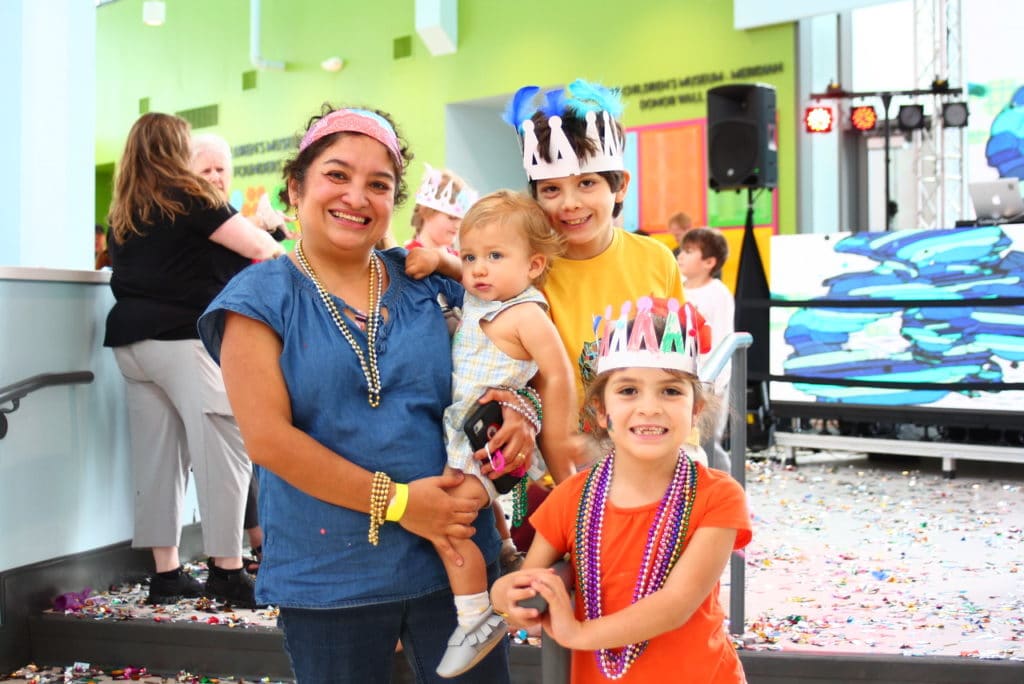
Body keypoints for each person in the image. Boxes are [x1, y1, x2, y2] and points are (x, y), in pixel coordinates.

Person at [197, 105, 531, 683]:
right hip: (331, 574)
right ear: (295, 187)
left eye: (378, 184)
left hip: (457, 563)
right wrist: (401, 503)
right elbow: (268, 440)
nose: (357, 196)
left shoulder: (428, 280)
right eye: (337, 175)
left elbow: (514, 345)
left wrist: (522, 410)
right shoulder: (259, 299)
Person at [491, 297, 752, 683]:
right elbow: (526, 586)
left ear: (696, 409)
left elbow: (676, 603)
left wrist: (579, 634)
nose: (650, 407)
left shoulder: (718, 496)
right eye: (629, 391)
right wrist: (504, 596)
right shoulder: (573, 498)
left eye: (671, 391)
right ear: (601, 410)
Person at [103, 112, 283, 607]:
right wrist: (274, 236)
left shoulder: (126, 211)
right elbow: (260, 247)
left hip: (132, 346)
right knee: (224, 450)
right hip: (184, 343)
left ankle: (166, 574)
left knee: (157, 461)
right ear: (176, 148)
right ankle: (226, 571)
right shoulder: (190, 196)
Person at [433, 190, 582, 677]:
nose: (479, 269)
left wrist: (558, 444)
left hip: (485, 439)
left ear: (533, 265)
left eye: (495, 257)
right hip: (463, 426)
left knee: (450, 525)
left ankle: (475, 617)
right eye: (471, 256)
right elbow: (458, 272)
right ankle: (502, 545)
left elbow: (558, 374)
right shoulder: (483, 297)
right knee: (475, 512)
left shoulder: (526, 314)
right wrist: (437, 259)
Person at [503, 79, 685, 450]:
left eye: (587, 183)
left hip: (648, 446)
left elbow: (677, 366)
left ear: (620, 187)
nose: (569, 203)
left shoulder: (657, 260)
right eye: (551, 189)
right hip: (557, 457)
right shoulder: (526, 273)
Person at [190, 131, 273, 571]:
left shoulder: (226, 216)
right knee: (238, 448)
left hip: (243, 343)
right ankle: (256, 547)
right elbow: (266, 251)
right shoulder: (199, 212)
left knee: (248, 447)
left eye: (221, 168)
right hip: (213, 345)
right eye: (205, 169)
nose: (215, 176)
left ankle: (262, 545)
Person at [677, 227, 734, 470]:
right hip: (680, 377)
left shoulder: (717, 293)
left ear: (709, 262)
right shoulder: (677, 287)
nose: (680, 256)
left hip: (709, 381)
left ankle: (725, 485)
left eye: (689, 251)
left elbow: (723, 338)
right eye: (682, 250)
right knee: (683, 441)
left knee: (707, 442)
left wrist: (715, 384)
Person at [191, 132, 295, 242]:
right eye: (206, 171)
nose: (215, 177)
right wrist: (263, 220)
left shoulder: (228, 211)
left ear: (230, 174)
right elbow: (228, 232)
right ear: (191, 178)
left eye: (220, 170)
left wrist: (273, 223)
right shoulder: (191, 213)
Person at [404, 164, 477, 281]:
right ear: (425, 211)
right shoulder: (406, 257)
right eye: (452, 217)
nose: (458, 225)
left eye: (461, 220)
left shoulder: (462, 260)